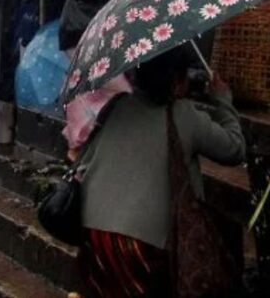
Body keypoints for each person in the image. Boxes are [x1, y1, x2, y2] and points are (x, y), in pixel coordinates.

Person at [77, 44, 245, 297]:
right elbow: (234, 149)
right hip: (141, 247)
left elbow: (84, 161)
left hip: (94, 237)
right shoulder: (184, 115)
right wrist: (223, 102)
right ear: (176, 81)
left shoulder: (117, 106)